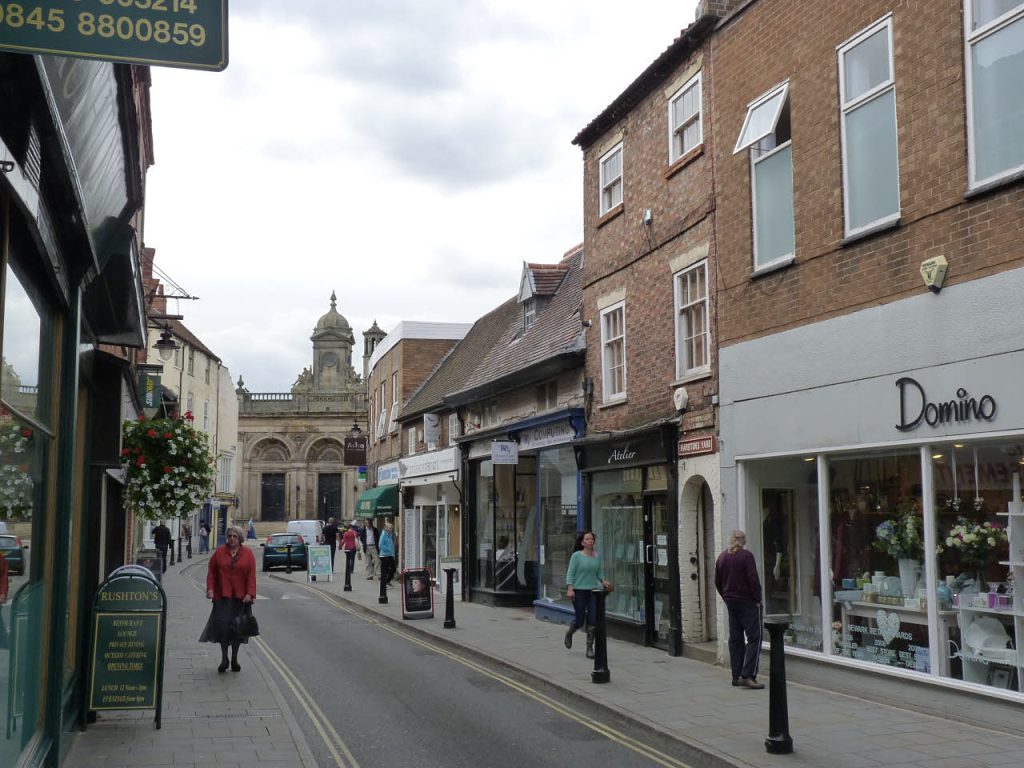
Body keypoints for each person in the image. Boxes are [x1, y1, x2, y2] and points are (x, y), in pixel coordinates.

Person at [199, 525, 257, 673]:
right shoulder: (219, 553)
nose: (231, 538)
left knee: (237, 630)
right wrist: (210, 589)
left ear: (240, 538)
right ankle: (224, 659)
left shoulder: (248, 554)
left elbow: (251, 575)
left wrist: (250, 593)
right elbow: (211, 572)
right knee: (223, 629)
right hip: (222, 597)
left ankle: (235, 659)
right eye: (229, 535)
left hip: (241, 599)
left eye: (235, 536)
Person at [714, 529, 765, 689]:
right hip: (748, 603)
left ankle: (736, 676)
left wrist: (726, 596)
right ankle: (748, 675)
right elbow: (753, 579)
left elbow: (717, 581)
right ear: (743, 541)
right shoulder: (746, 556)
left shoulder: (722, 557)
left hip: (731, 603)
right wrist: (757, 599)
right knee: (754, 638)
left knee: (735, 639)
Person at [564, 531, 612, 659]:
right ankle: (570, 632)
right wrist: (570, 588)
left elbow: (599, 573)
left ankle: (589, 648)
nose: (590, 541)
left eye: (592, 539)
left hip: (593, 591)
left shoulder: (597, 556)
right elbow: (570, 573)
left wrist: (603, 581)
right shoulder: (576, 556)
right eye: (587, 539)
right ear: (582, 542)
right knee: (580, 620)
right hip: (578, 590)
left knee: (592, 620)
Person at [379, 521, 396, 587]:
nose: (392, 529)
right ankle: (384, 584)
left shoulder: (389, 534)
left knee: (393, 568)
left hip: (390, 555)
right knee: (385, 570)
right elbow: (380, 545)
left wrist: (392, 552)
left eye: (392, 528)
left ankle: (387, 581)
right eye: (390, 528)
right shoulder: (383, 535)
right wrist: (387, 550)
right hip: (384, 555)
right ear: (386, 528)